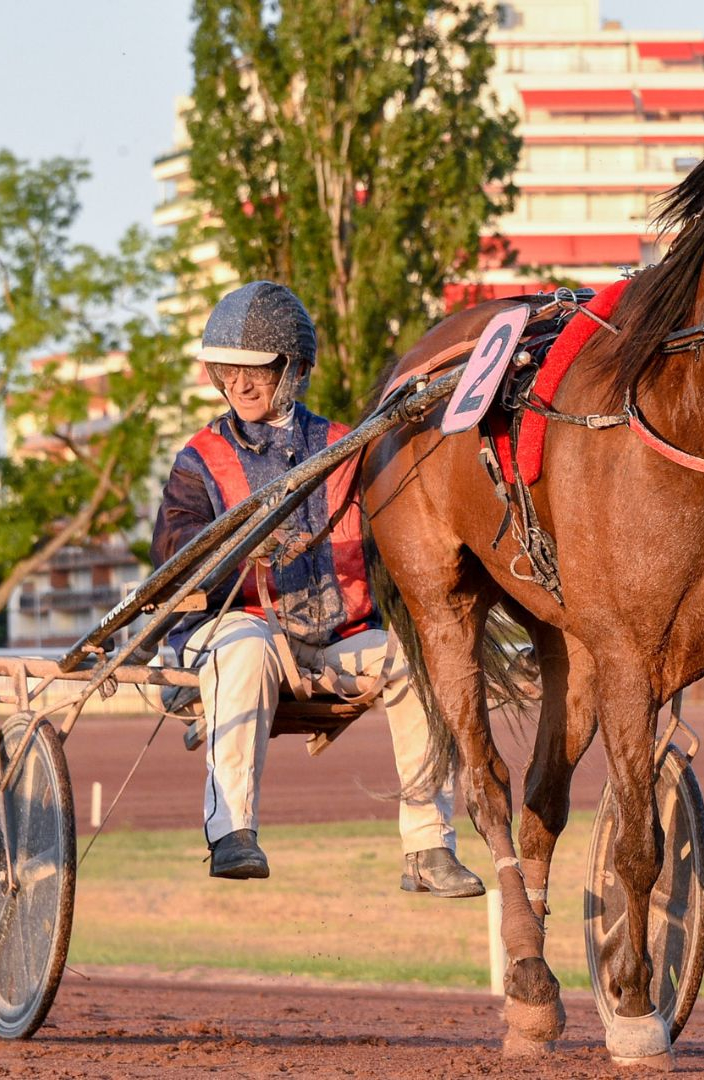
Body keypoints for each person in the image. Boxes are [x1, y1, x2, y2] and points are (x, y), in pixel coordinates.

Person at [149, 280, 483, 897]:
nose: (240, 385)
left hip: (333, 641)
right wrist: (244, 545)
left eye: (257, 370)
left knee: (419, 656)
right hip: (227, 635)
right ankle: (232, 834)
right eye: (228, 371)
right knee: (245, 643)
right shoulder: (198, 460)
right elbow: (173, 556)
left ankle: (428, 846)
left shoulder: (343, 448)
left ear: (295, 370)